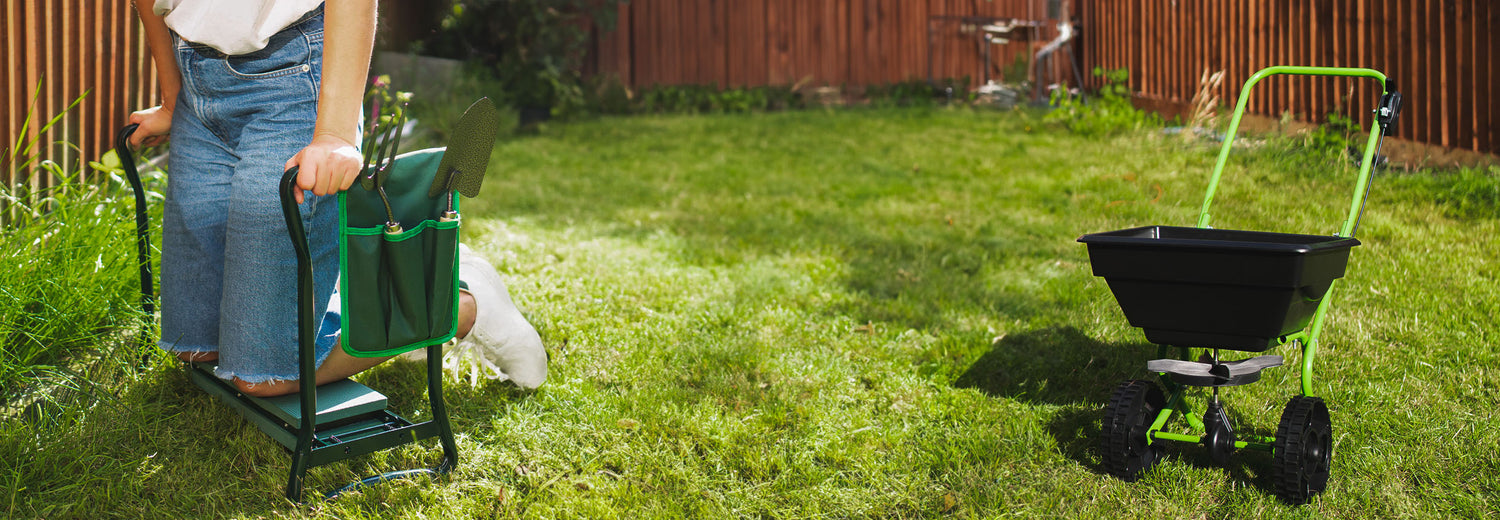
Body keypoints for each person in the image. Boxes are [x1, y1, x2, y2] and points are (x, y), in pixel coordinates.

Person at [128, 0, 547, 396]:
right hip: (196, 85)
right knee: (193, 346)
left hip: (292, 79)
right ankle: (346, 283)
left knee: (263, 377)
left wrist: (334, 133)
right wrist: (173, 97)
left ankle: (459, 305)